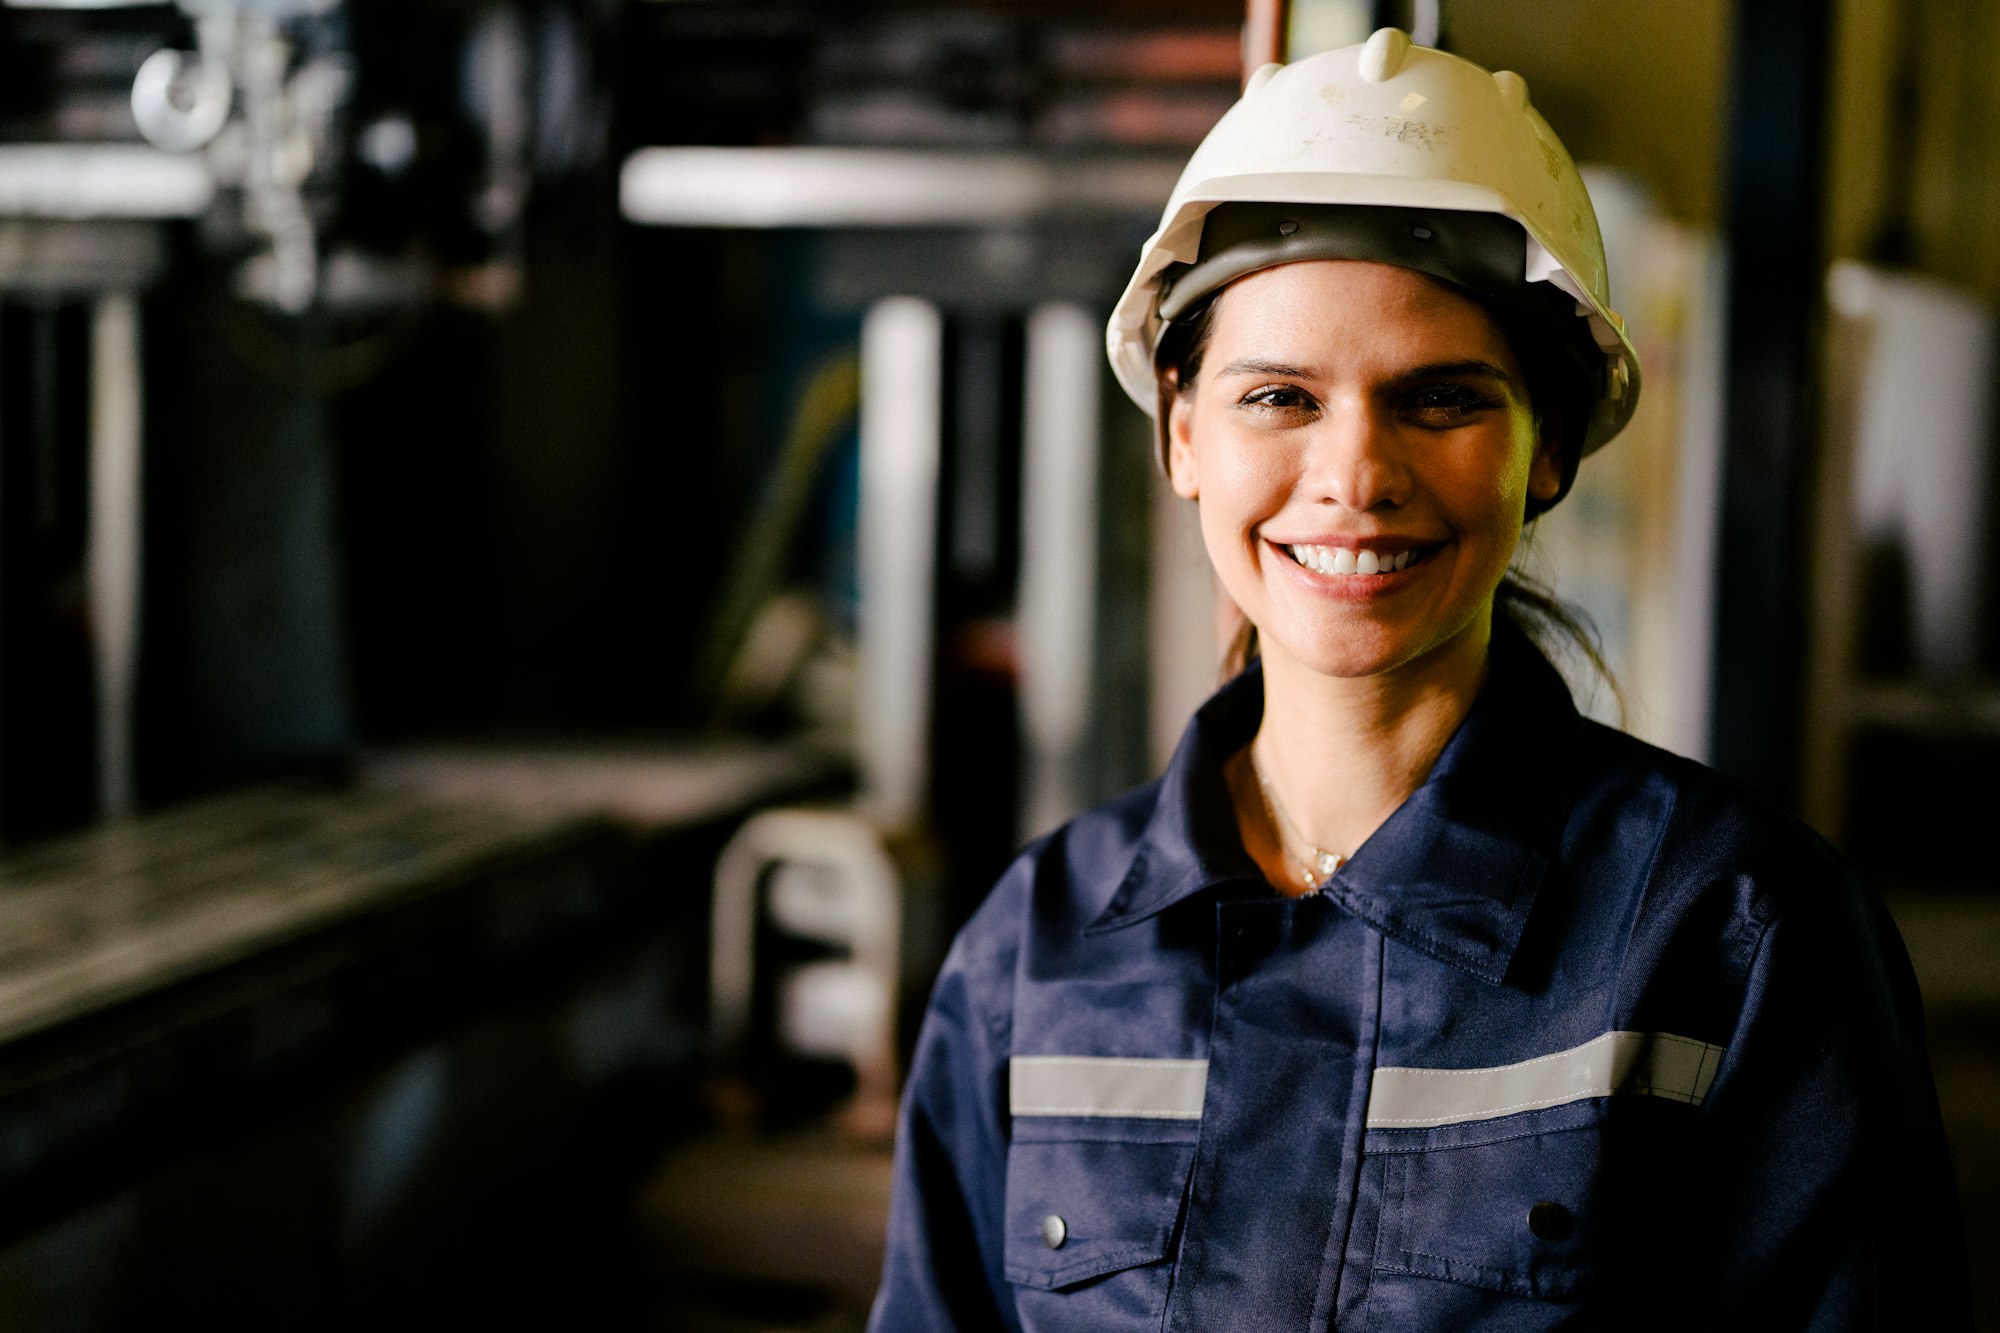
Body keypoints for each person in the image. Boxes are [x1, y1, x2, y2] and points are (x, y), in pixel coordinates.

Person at [868, 29, 1969, 1332]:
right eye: (1279, 396)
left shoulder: (1730, 937)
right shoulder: (1034, 954)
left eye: (1440, 400)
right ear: (1181, 432)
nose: (1354, 476)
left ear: (1547, 444)